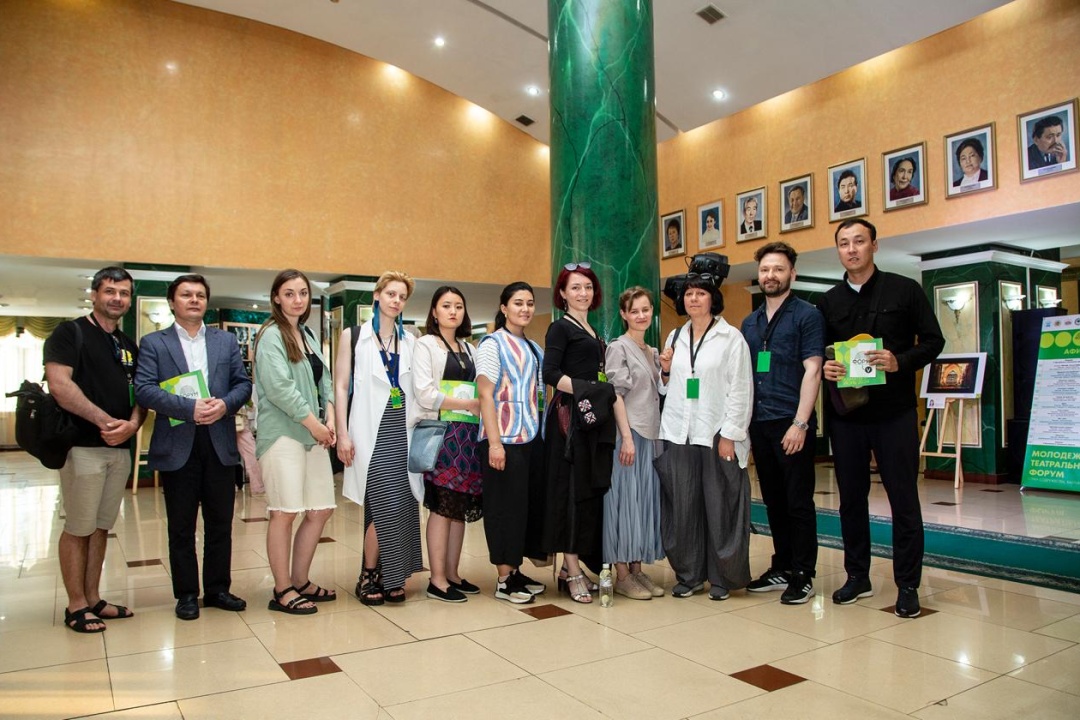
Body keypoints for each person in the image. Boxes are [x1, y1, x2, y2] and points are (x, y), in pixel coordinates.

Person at [818, 219, 945, 619]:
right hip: (847, 417)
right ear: (838, 251)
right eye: (844, 243)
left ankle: (908, 584)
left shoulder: (904, 290)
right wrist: (826, 368)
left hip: (895, 413)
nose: (851, 249)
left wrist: (899, 360)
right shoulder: (828, 301)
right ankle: (858, 576)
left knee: (903, 500)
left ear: (874, 245)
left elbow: (934, 341)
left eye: (859, 241)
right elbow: (820, 353)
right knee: (850, 500)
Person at [134, 274, 252, 621]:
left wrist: (225, 404)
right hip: (178, 443)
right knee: (181, 526)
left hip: (219, 441)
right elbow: (144, 389)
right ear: (173, 302)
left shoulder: (224, 341)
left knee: (221, 523)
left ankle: (217, 589)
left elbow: (242, 384)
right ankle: (186, 594)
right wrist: (190, 408)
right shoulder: (154, 343)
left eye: (200, 295)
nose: (194, 300)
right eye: (186, 295)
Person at [44, 266, 145, 633]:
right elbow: (60, 385)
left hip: (119, 450)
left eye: (124, 293)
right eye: (110, 291)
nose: (117, 298)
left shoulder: (128, 344)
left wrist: (132, 424)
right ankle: (75, 605)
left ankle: (93, 598)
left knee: (102, 527)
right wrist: (106, 422)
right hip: (83, 446)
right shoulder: (69, 333)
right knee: (79, 526)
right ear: (94, 294)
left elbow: (141, 393)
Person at [656, 274, 753, 600]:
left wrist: (730, 435)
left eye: (700, 293)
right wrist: (665, 370)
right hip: (678, 433)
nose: (694, 299)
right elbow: (666, 388)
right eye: (689, 294)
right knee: (683, 508)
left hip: (715, 433)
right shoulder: (675, 336)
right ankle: (690, 575)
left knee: (720, 506)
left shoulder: (731, 338)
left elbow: (741, 389)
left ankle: (722, 577)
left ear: (713, 299)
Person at [740, 243, 824, 605]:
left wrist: (800, 423)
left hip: (792, 423)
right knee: (773, 500)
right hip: (759, 423)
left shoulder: (807, 315)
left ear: (792, 273)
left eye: (777, 269)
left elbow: (813, 370)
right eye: (764, 270)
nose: (770, 275)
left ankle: (803, 573)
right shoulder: (751, 322)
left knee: (798, 502)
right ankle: (783, 565)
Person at [254, 269, 337, 615]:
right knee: (285, 512)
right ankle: (282, 589)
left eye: (303, 293)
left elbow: (325, 381)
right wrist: (315, 425)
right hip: (284, 434)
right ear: (276, 298)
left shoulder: (307, 334)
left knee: (320, 508)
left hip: (314, 434)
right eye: (289, 293)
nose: (297, 300)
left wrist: (330, 416)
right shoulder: (271, 335)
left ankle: (300, 580)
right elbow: (279, 389)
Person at [337, 271, 423, 605]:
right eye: (390, 294)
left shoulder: (410, 340)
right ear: (377, 296)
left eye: (402, 297)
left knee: (401, 501)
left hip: (403, 431)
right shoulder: (354, 336)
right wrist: (342, 434)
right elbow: (341, 387)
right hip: (369, 432)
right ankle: (368, 574)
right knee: (386, 501)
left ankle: (390, 575)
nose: (396, 301)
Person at [543, 263, 619, 604]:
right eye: (575, 287)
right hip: (569, 420)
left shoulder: (591, 328)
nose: (582, 293)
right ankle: (573, 570)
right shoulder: (560, 328)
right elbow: (549, 373)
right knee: (570, 493)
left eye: (587, 287)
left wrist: (595, 393)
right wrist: (587, 390)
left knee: (586, 492)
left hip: (592, 417)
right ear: (562, 293)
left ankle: (568, 568)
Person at [475, 281, 548, 604]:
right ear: (504, 308)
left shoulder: (533, 347)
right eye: (518, 303)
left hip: (530, 437)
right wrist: (494, 444)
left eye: (530, 303)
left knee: (522, 509)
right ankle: (504, 579)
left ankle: (515, 570)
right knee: (503, 509)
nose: (525, 309)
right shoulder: (492, 344)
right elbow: (485, 394)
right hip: (502, 438)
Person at [412, 286, 484, 603]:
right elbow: (425, 393)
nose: (453, 311)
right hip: (442, 434)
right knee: (442, 507)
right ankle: (437, 579)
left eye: (458, 306)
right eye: (446, 306)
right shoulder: (426, 345)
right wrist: (468, 404)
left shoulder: (469, 348)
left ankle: (453, 574)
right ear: (434, 311)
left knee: (459, 507)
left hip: (467, 437)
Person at [603, 287, 665, 600]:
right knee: (623, 503)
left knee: (642, 502)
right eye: (634, 311)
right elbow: (615, 395)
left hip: (650, 435)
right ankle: (622, 574)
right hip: (628, 436)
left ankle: (638, 569)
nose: (641, 315)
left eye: (646, 309)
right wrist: (626, 437)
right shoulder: (618, 348)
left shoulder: (652, 352)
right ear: (624, 314)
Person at [235, 395, 262, 495]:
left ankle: (258, 487)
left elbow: (251, 407)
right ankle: (258, 487)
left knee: (253, 455)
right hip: (229, 422)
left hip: (239, 422)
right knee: (252, 454)